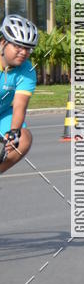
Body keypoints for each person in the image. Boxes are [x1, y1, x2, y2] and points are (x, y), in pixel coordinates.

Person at [0, 13, 38, 174]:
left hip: (3, 114)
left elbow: (19, 106)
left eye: (27, 48)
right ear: (3, 43)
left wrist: (13, 133)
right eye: (18, 46)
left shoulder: (27, 70)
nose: (23, 52)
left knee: (23, 139)